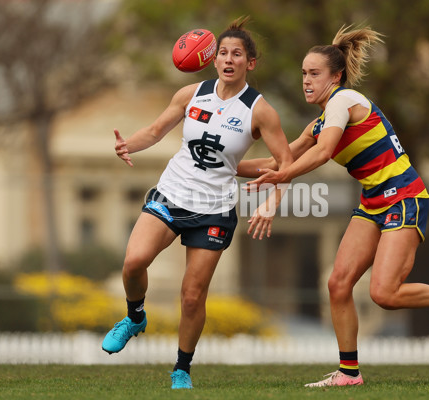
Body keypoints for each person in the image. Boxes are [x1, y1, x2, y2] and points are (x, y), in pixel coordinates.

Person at [240, 25, 429, 387]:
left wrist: (282, 177)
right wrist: (225, 165)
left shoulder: (343, 101)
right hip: (373, 202)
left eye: (314, 74)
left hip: (405, 197)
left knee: (384, 294)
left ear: (335, 76)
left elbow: (322, 154)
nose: (306, 81)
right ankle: (349, 373)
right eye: (303, 75)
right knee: (338, 284)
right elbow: (281, 159)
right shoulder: (321, 121)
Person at [102, 17, 292, 389]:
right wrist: (128, 145)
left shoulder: (260, 111)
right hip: (172, 193)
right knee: (134, 261)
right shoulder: (192, 94)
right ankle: (134, 316)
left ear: (250, 63)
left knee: (191, 296)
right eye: (223, 52)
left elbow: (286, 164)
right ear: (213, 58)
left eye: (237, 54)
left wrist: (272, 201)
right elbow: (156, 131)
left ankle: (181, 369)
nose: (229, 59)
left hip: (214, 209)